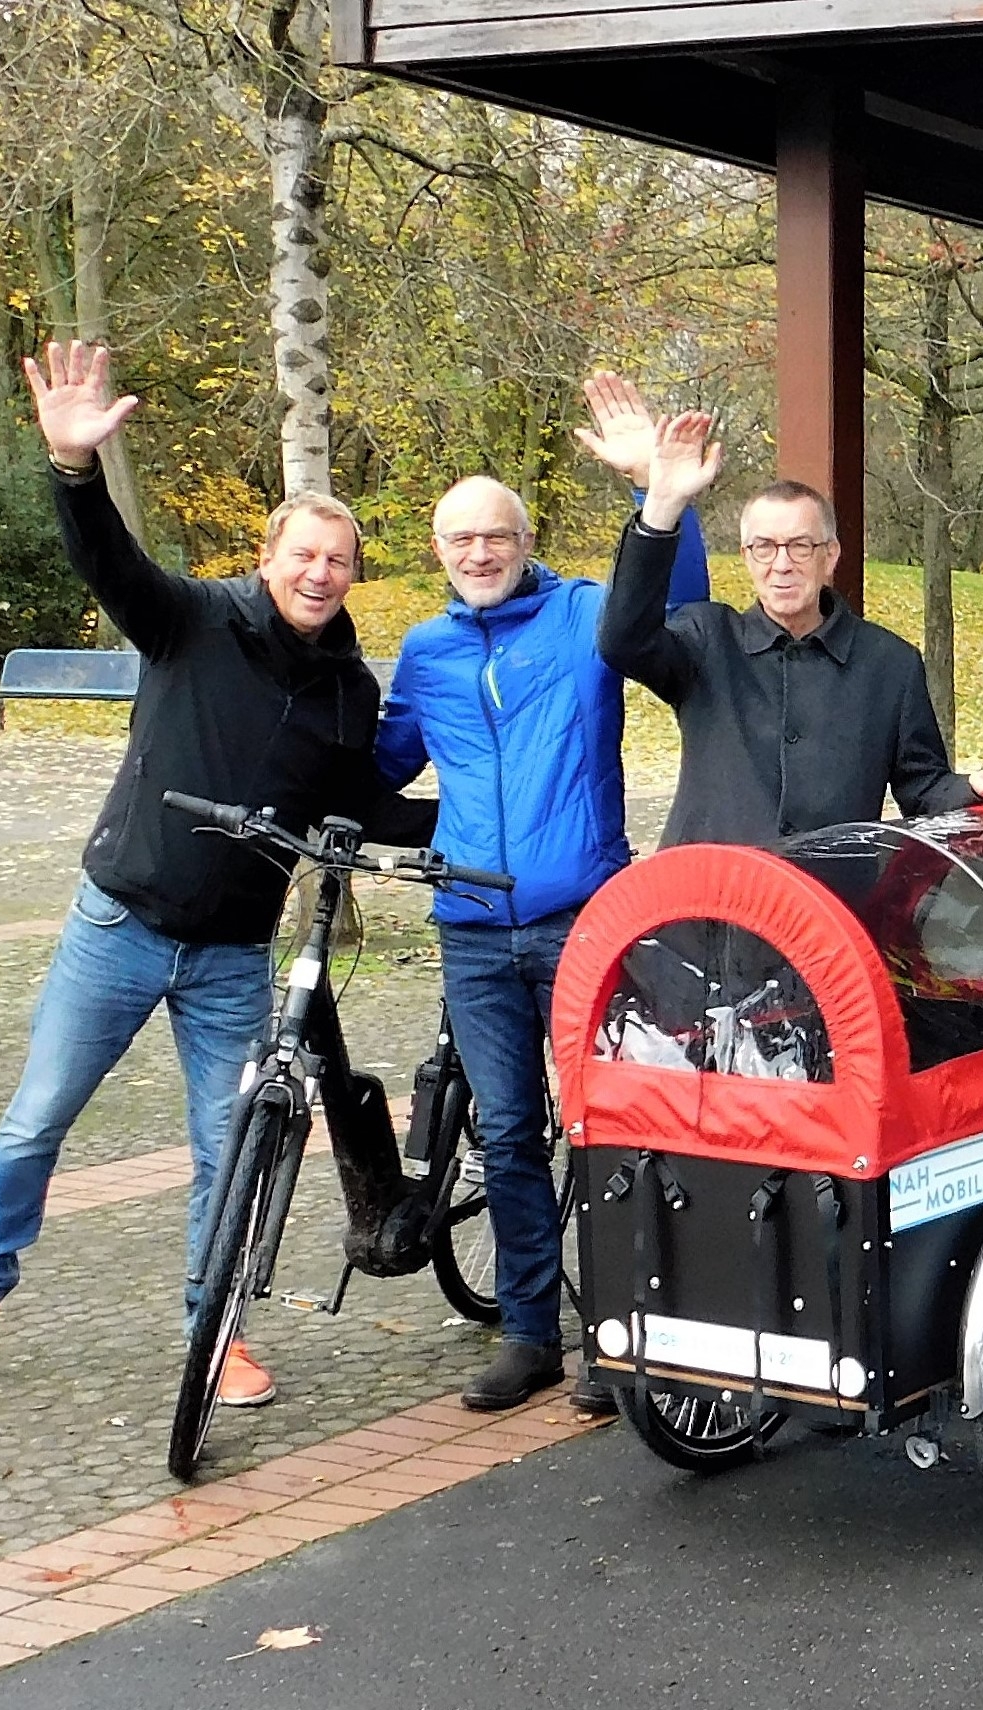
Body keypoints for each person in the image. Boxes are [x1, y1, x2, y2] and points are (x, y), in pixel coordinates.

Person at [0, 342, 425, 1403]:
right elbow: (107, 559)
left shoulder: (350, 691)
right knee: (37, 1118)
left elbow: (357, 807)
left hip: (233, 959)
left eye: (338, 560)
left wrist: (493, 825)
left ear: (352, 574)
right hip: (121, 923)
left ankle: (215, 1328)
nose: (320, 574)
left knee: (226, 1149)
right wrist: (72, 467)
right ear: (268, 555)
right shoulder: (192, 621)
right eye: (304, 555)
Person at [370, 374, 710, 1413]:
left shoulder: (578, 619)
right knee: (510, 1136)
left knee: (608, 1128)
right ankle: (529, 1335)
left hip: (582, 920)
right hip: (471, 930)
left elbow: (678, 610)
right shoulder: (425, 652)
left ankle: (618, 1335)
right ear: (438, 551)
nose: (479, 552)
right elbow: (377, 769)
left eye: (496, 534)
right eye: (459, 539)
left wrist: (659, 491)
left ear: (523, 538)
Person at [596, 411, 983, 843]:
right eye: (764, 547)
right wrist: (662, 505)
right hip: (709, 899)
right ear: (746, 556)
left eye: (800, 546)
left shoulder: (890, 665)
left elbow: (924, 789)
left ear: (830, 555)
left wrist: (976, 790)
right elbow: (623, 642)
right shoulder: (707, 638)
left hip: (825, 902)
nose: (782, 564)